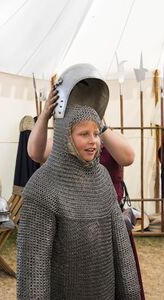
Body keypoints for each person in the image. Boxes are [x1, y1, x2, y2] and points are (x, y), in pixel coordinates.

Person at [28, 86, 145, 299]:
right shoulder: (44, 186)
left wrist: (99, 125)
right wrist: (45, 115)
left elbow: (128, 156)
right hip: (69, 271)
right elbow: (35, 268)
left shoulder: (102, 174)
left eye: (95, 134)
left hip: (103, 247)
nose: (92, 140)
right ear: (68, 137)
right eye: (84, 134)